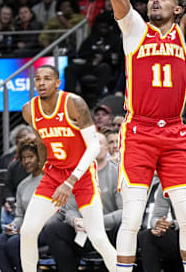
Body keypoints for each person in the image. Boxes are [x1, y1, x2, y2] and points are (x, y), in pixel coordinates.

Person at [110, 0, 186, 272]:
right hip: (139, 131)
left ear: (177, 9)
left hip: (175, 133)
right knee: (132, 217)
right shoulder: (135, 31)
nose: (154, 0)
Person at [19, 65, 116, 272]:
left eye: (47, 78)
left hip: (81, 175)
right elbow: (41, 140)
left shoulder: (74, 103)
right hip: (54, 174)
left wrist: (70, 180)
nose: (41, 83)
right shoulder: (29, 110)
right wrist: (45, 166)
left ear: (57, 82)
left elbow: (94, 146)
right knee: (27, 231)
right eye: (37, 79)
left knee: (98, 237)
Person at [42, 133, 122, 272]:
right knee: (53, 229)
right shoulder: (77, 175)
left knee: (123, 228)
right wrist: (75, 221)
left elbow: (124, 212)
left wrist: (97, 222)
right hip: (83, 232)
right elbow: (71, 208)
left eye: (100, 143)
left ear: (107, 148)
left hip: (109, 232)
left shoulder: (117, 173)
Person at [138, 146, 186, 272]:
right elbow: (156, 216)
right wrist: (159, 224)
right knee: (146, 236)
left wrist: (172, 224)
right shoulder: (166, 182)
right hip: (179, 232)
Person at [0, 138, 53, 272]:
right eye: (23, 158)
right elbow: (20, 215)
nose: (26, 161)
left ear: (40, 157)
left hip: (46, 230)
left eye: (30, 157)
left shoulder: (51, 179)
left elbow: (57, 213)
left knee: (14, 244)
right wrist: (14, 225)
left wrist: (27, 228)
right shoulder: (23, 185)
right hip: (25, 229)